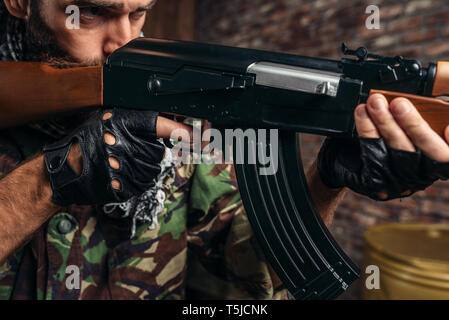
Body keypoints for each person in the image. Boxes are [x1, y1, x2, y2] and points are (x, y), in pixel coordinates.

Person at [1, 0, 449, 300]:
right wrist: (53, 178)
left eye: (139, 14)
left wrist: (326, 181)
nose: (124, 43)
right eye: (91, 13)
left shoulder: (179, 125)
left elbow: (244, 277)